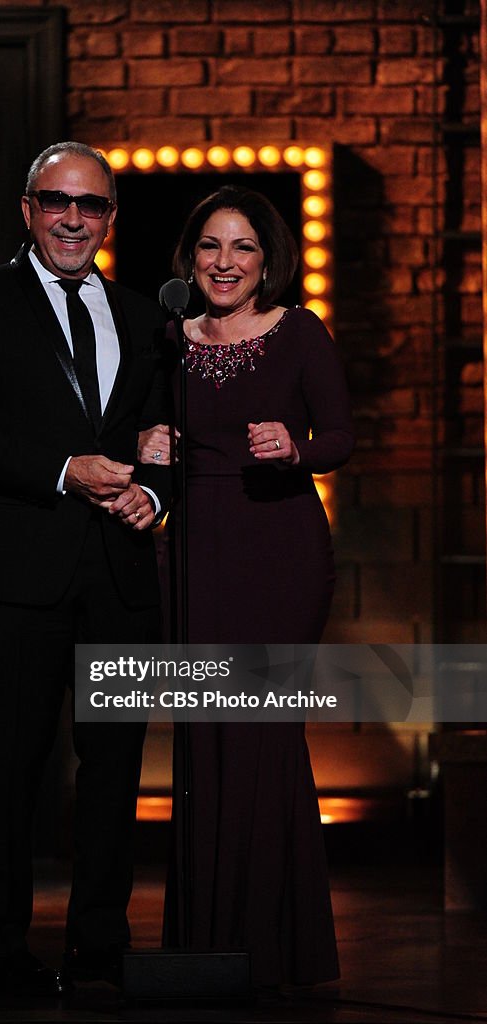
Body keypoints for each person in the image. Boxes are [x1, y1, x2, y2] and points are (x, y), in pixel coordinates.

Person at [0, 141, 170, 995]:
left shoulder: (144, 318)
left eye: (91, 205)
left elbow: (161, 440)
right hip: (18, 568)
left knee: (114, 770)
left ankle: (98, 942)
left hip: (122, 573)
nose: (73, 217)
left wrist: (155, 498)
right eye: (56, 201)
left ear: (108, 219)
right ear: (27, 209)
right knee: (14, 766)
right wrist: (63, 469)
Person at [140, 185, 354, 991]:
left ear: (268, 261)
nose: (223, 263)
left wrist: (294, 447)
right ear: (188, 257)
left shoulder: (298, 331)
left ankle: (274, 950)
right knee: (204, 739)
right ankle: (204, 945)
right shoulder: (166, 340)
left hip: (280, 554)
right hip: (193, 557)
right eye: (209, 247)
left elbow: (340, 436)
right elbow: (141, 443)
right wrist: (144, 443)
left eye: (241, 249)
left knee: (262, 735)